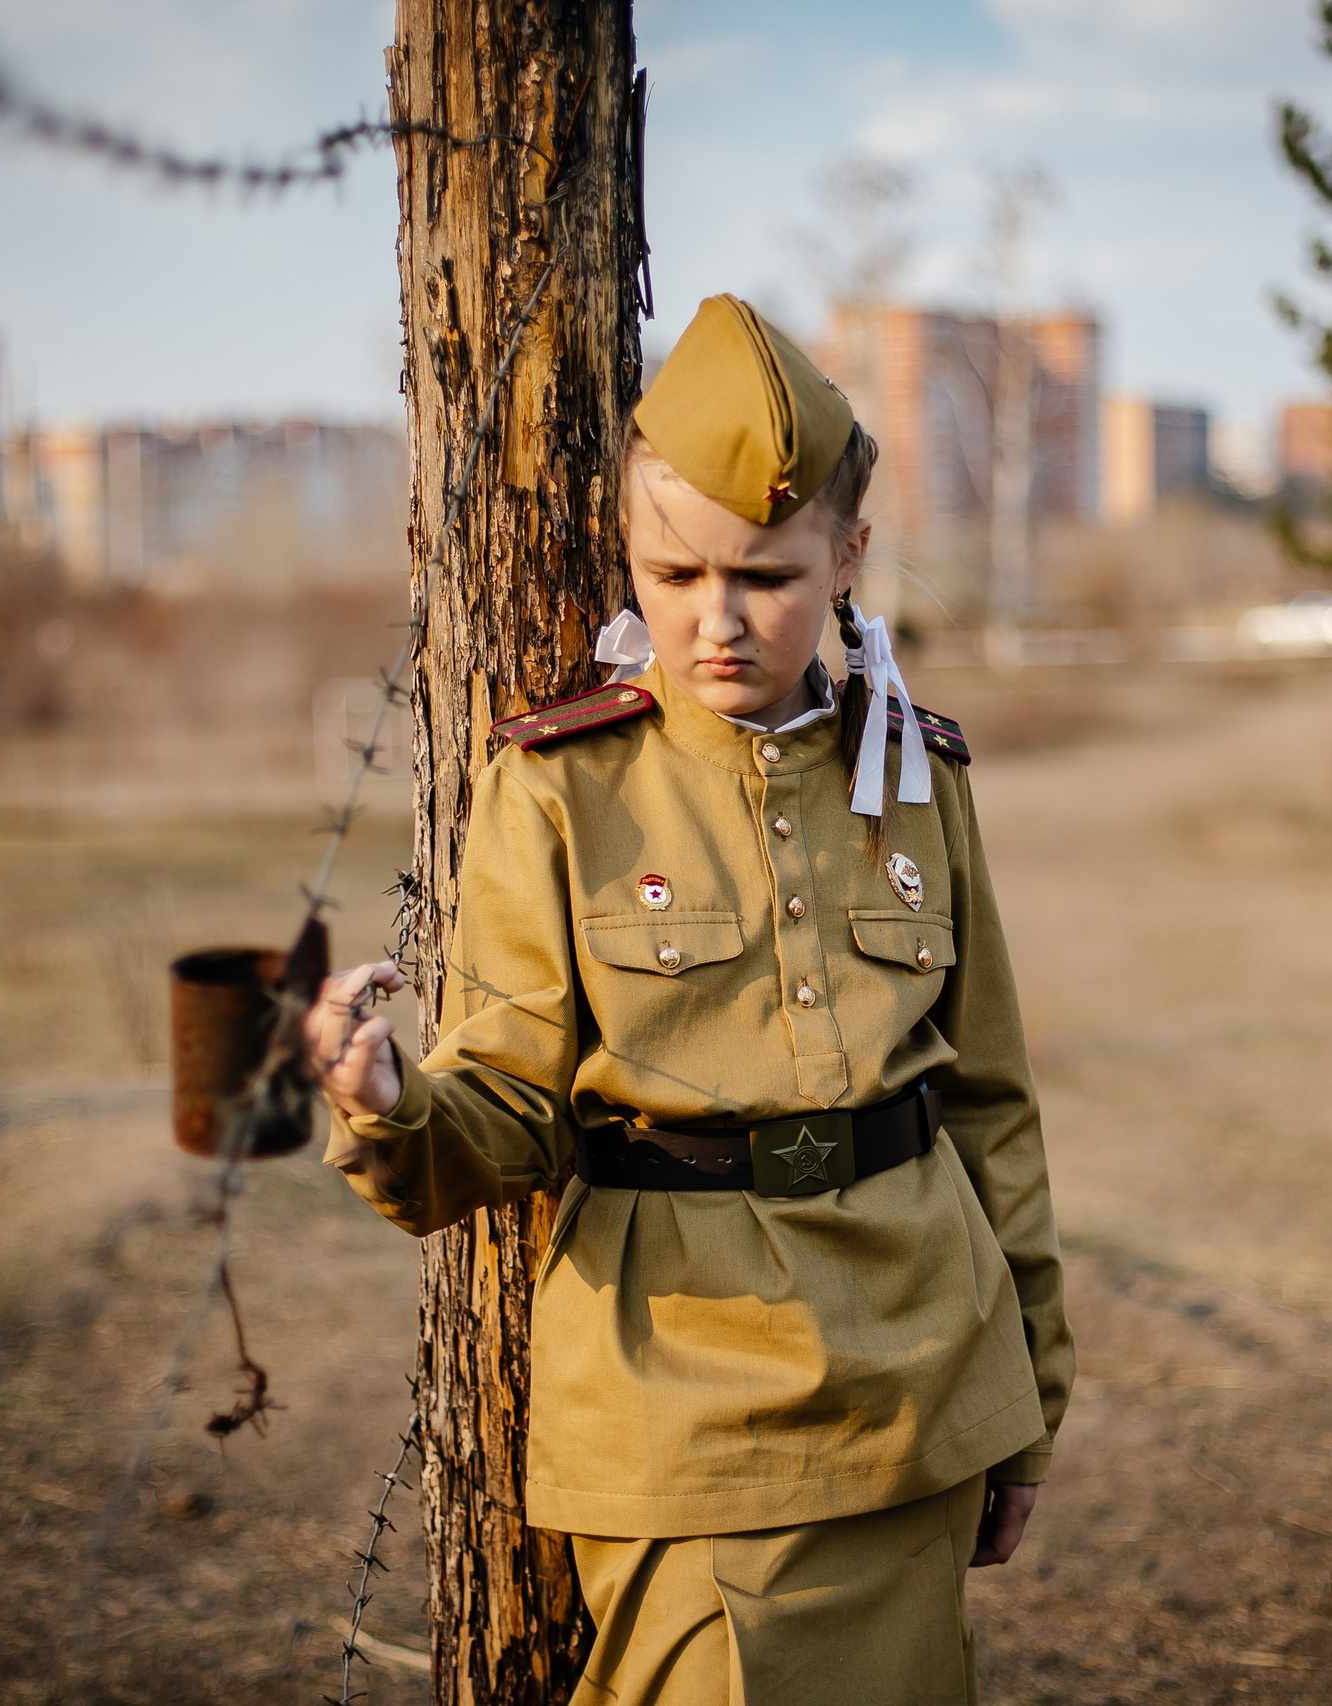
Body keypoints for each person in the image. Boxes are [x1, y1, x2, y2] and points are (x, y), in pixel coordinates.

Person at [305, 294, 1072, 1706]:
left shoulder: (916, 780)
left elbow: (990, 1105)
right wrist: (385, 1100)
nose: (716, 620)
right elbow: (508, 1100)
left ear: (847, 556)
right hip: (687, 1405)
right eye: (674, 572)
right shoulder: (557, 786)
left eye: (768, 579)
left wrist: (1026, 1399)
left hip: (923, 1380)